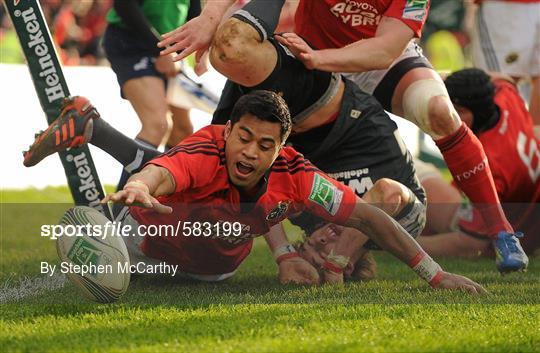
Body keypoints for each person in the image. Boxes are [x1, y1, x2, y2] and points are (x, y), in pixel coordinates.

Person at [158, 0, 528, 273]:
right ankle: (171, 217)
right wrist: (208, 20)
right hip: (312, 56)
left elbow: (385, 49)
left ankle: (501, 232)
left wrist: (322, 60)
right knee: (232, 64)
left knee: (439, 112)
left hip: (364, 59)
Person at [23, 91, 485, 293]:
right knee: (110, 257)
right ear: (228, 132)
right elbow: (165, 172)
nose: (249, 152)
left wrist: (436, 275)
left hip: (212, 272)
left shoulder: (298, 176)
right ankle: (90, 134)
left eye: (265, 145)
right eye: (242, 137)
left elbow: (368, 217)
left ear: (280, 149)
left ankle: (91, 125)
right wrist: (141, 187)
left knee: (220, 231)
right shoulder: (206, 149)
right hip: (146, 242)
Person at [414, 68, 539, 261]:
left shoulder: (490, 165)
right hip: (527, 212)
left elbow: (471, 245)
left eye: (459, 111)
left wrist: (395, 244)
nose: (449, 116)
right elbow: (501, 77)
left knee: (416, 177)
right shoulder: (504, 95)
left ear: (477, 111)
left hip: (517, 233)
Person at [103, 0, 200, 191]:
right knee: (157, 124)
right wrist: (162, 51)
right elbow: (125, 6)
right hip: (133, 41)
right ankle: (122, 210)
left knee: (183, 131)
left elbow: (195, 12)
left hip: (168, 47)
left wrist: (196, 48)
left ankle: (163, 202)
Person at [467, 0, 540, 125]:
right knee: (502, 83)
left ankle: (531, 142)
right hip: (505, 8)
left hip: (506, 9)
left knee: (500, 83)